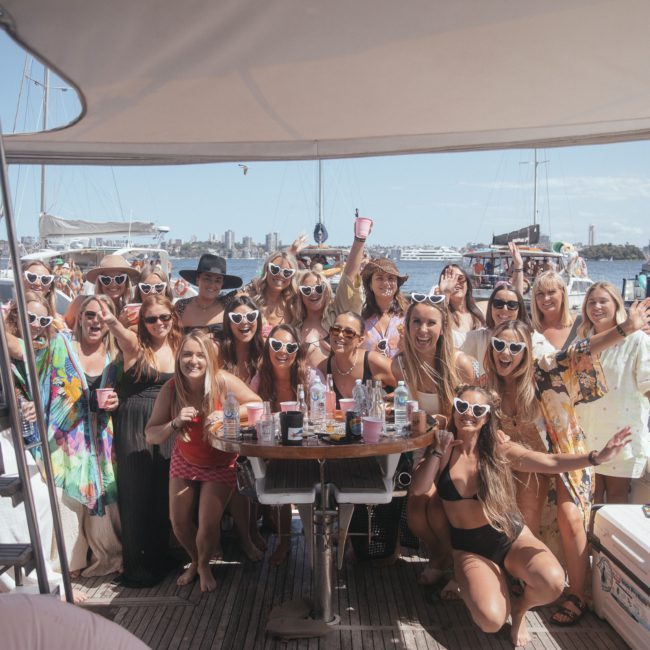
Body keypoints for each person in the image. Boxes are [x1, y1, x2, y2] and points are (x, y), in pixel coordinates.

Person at [410, 385, 632, 646]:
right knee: (490, 621)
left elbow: (549, 462)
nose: (468, 414)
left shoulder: (499, 450)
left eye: (478, 410)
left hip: (510, 537)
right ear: (454, 408)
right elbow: (419, 488)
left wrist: (597, 457)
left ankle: (519, 609)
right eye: (462, 406)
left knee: (553, 582)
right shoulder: (443, 450)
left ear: (487, 417)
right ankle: (488, 585)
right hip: (471, 548)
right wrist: (437, 450)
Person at [483, 299, 650, 626]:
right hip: (526, 467)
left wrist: (625, 329)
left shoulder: (544, 371)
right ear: (490, 349)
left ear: (527, 351)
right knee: (525, 501)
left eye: (515, 347)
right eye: (499, 345)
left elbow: (580, 351)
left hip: (568, 457)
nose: (506, 353)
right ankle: (524, 581)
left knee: (570, 515)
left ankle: (579, 593)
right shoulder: (489, 391)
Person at [18, 294, 123, 583]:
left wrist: (117, 402)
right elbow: (33, 380)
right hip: (64, 439)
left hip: (103, 440)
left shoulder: (117, 357)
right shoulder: (59, 346)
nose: (95, 321)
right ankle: (68, 562)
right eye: (89, 314)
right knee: (67, 503)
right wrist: (29, 406)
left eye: (102, 316)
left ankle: (109, 556)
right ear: (79, 317)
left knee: (106, 501)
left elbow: (127, 394)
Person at [145, 331, 261, 592]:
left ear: (210, 359)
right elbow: (151, 434)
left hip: (221, 460)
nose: (193, 360)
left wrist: (224, 413)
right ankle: (196, 561)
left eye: (200, 355)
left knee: (208, 524)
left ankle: (205, 565)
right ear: (178, 359)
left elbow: (258, 405)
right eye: (187, 354)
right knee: (178, 521)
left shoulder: (222, 382)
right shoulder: (172, 388)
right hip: (185, 458)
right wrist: (174, 423)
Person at [100, 294, 182, 587]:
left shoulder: (178, 345)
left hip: (167, 422)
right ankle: (137, 566)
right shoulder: (136, 345)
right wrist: (111, 321)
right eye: (151, 319)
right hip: (135, 419)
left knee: (162, 490)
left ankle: (158, 557)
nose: (158, 323)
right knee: (135, 493)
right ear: (142, 323)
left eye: (164, 317)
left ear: (172, 317)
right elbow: (122, 336)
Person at [250, 323, 323, 564]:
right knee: (275, 473)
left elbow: (322, 410)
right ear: (268, 348)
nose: (283, 351)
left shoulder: (310, 376)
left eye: (290, 346)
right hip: (275, 449)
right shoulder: (260, 380)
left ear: (297, 351)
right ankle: (284, 541)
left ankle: (319, 539)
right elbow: (249, 412)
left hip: (309, 448)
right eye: (277, 344)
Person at [575, 282, 650, 503]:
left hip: (622, 434)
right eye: (591, 302)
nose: (596, 306)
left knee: (617, 496)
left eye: (603, 301)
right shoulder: (583, 342)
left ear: (616, 304)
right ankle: (589, 539)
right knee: (591, 496)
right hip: (588, 432)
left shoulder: (636, 340)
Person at [297, 222, 367, 368]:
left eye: (319, 288)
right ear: (300, 294)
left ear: (327, 291)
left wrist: (359, 240)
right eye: (306, 290)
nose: (313, 293)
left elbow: (348, 277)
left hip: (336, 384)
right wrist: (291, 252)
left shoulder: (337, 314)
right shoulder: (294, 321)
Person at [317, 312, 395, 405]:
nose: (340, 335)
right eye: (336, 330)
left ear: (360, 341)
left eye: (349, 332)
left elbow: (411, 386)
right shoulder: (323, 368)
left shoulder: (374, 361)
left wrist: (383, 400)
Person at [174, 254, 243, 340]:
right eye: (207, 278)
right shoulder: (181, 307)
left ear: (222, 284)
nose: (212, 285)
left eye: (217, 280)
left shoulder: (228, 306)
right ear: (197, 279)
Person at [64, 254, 139, 329]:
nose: (113, 284)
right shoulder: (81, 303)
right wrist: (120, 326)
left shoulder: (127, 312)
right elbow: (62, 329)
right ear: (99, 282)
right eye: (106, 279)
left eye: (119, 279)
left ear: (126, 282)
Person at [360, 258, 409, 357]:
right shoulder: (361, 320)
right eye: (379, 278)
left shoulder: (408, 316)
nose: (386, 283)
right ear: (370, 285)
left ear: (397, 284)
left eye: (391, 278)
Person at [247, 251, 301, 337]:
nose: (280, 275)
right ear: (266, 270)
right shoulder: (249, 298)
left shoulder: (295, 304)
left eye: (287, 272)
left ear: (292, 276)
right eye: (275, 269)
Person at [530, 271, 581, 356]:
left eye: (551, 292)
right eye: (540, 294)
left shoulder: (581, 324)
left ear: (563, 293)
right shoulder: (530, 329)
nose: (546, 298)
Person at [434, 264, 485, 347]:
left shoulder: (479, 311)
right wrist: (446, 293)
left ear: (467, 283)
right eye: (450, 279)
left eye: (460, 278)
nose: (455, 283)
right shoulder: (443, 314)